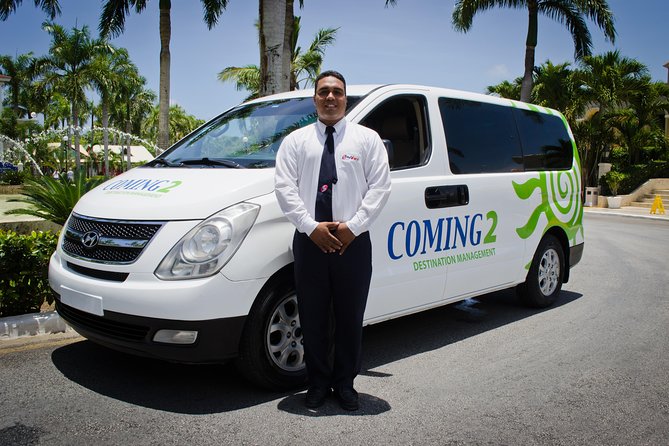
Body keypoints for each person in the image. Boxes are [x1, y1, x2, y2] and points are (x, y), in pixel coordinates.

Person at [274, 70, 391, 410]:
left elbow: (380, 187)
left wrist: (354, 227)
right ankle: (317, 383)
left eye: (337, 92)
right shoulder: (296, 141)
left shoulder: (366, 139)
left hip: (353, 242)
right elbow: (284, 188)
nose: (330, 97)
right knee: (312, 317)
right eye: (323, 91)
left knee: (350, 317)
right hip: (310, 240)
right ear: (314, 99)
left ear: (345, 98)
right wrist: (310, 227)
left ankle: (345, 384)